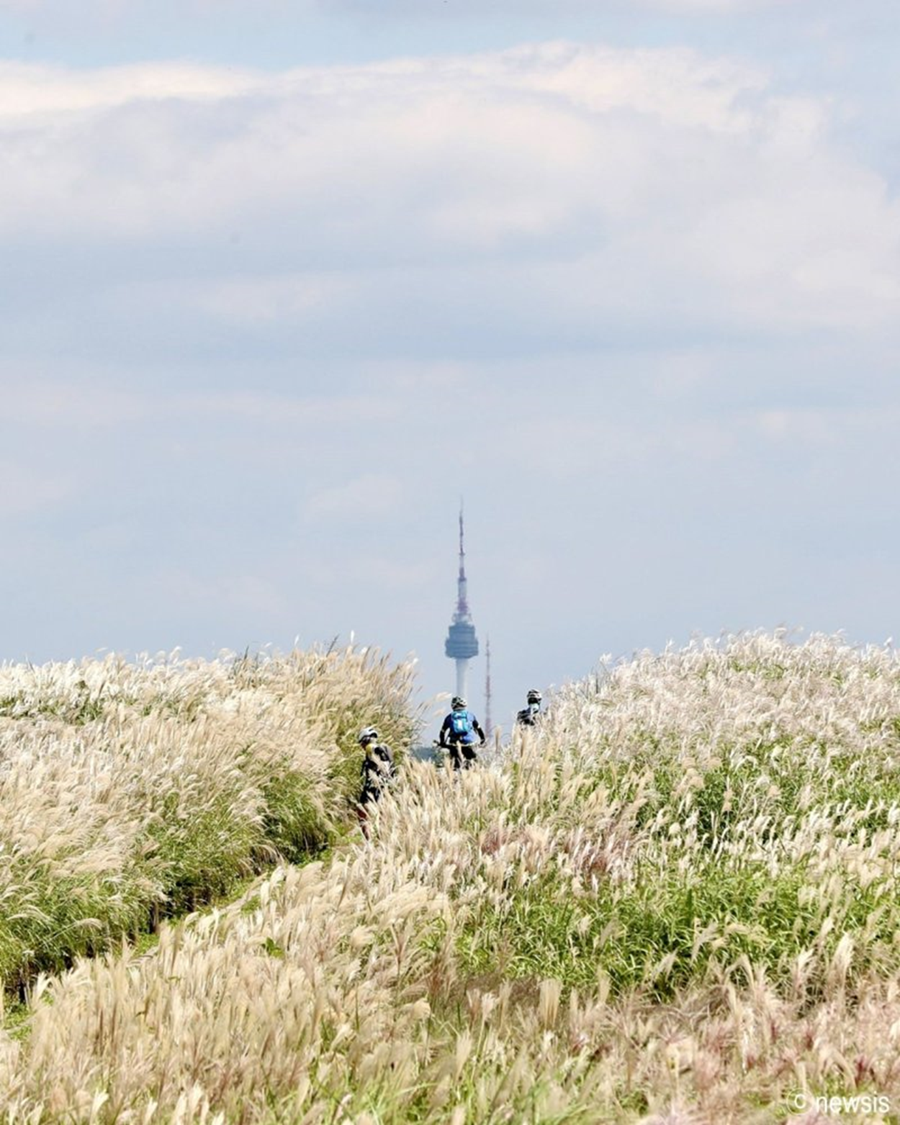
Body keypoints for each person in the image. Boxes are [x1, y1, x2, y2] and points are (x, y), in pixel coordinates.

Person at [357, 725, 395, 837]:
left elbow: (373, 748)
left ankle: (369, 839)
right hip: (384, 785)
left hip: (373, 786)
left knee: (362, 811)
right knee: (382, 813)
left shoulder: (371, 747)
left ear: (366, 739)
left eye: (361, 743)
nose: (362, 746)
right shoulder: (386, 750)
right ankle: (382, 837)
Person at [438, 696, 486, 770]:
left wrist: (442, 742)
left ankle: (455, 772)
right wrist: (482, 739)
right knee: (473, 763)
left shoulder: (449, 717)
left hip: (454, 743)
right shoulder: (470, 715)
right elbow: (479, 729)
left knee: (454, 764)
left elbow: (442, 731)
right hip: (468, 743)